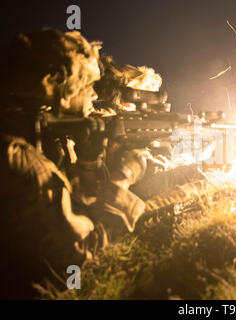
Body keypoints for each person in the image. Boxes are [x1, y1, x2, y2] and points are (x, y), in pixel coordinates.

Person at [0, 28, 150, 299]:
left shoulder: (29, 142)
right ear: (63, 93)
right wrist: (122, 180)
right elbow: (77, 261)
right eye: (88, 87)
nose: (94, 96)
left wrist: (88, 161)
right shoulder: (23, 164)